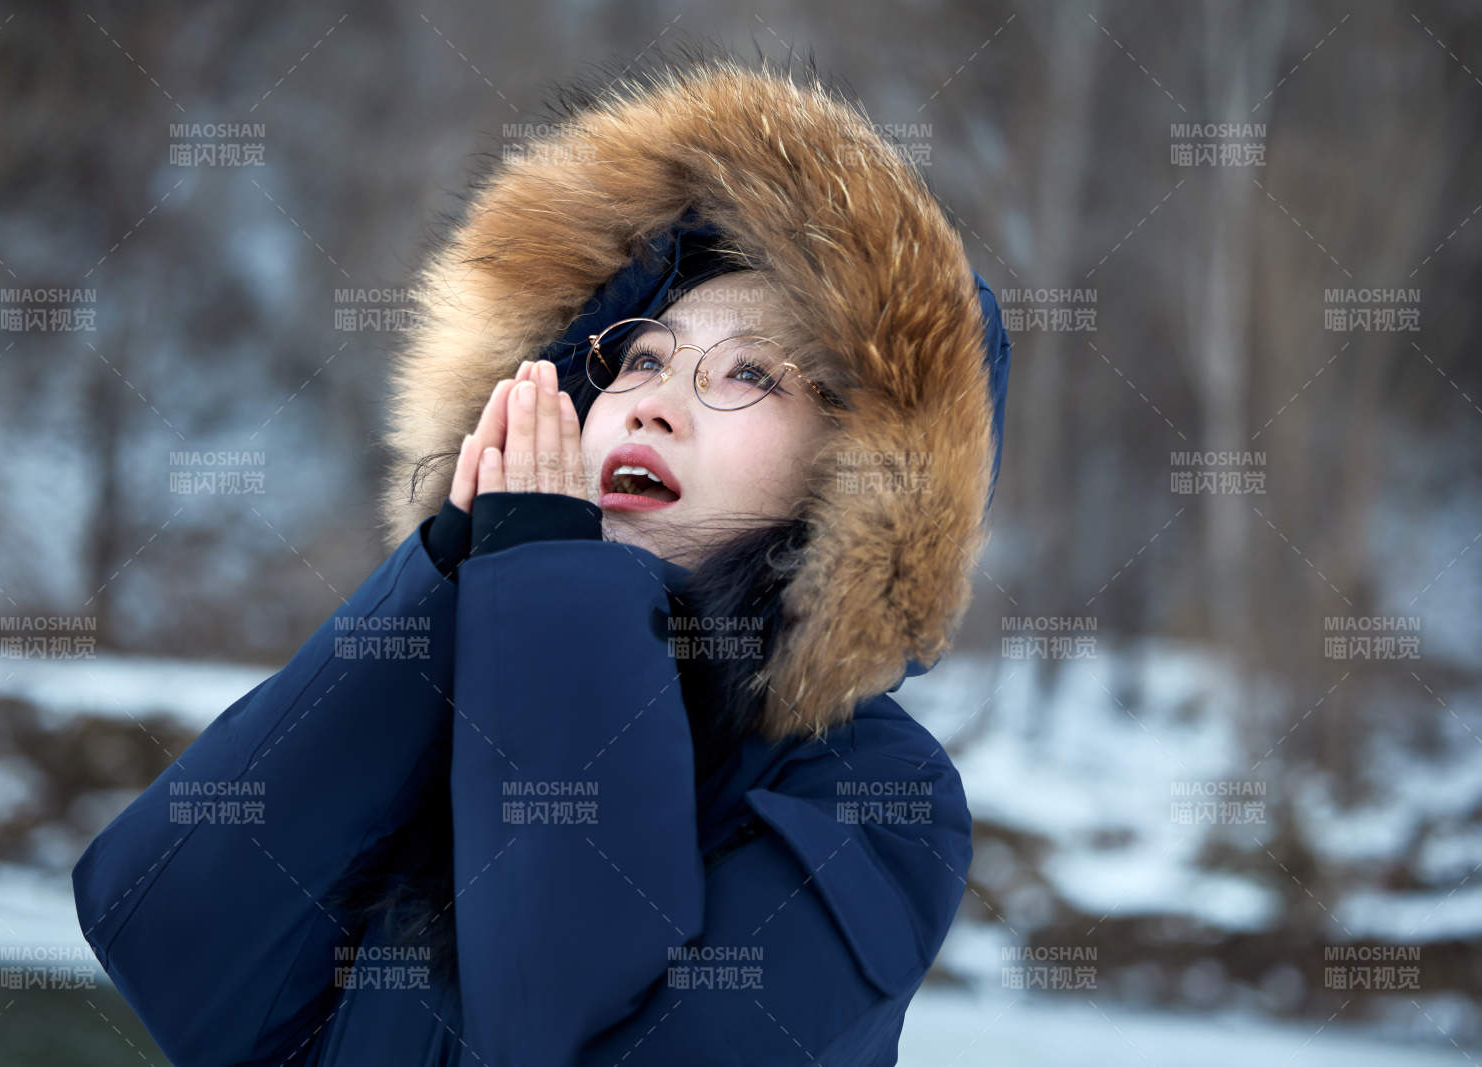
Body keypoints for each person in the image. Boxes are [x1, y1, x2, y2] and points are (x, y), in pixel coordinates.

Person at [72, 46, 1012, 1067]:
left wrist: (555, 596)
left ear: (860, 466)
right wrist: (444, 581)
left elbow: (564, 1030)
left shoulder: (879, 793)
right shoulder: (463, 666)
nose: (653, 396)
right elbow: (169, 939)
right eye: (643, 354)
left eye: (751, 373)